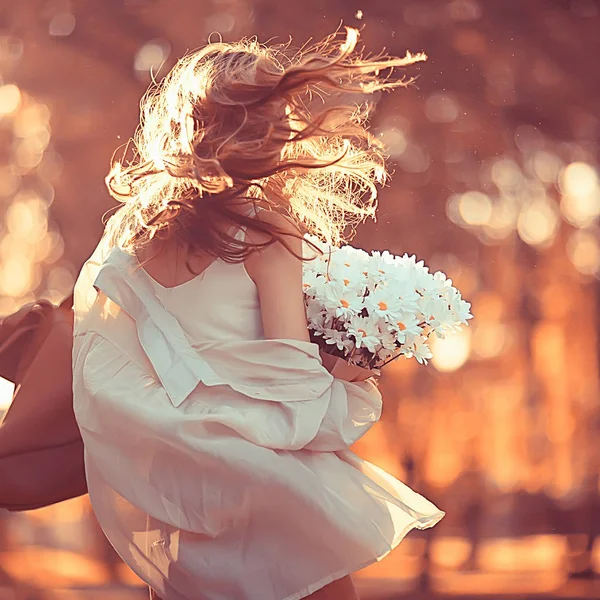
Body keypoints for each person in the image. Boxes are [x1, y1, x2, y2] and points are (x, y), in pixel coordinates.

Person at [72, 28, 444, 600]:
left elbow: (117, 364)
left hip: (187, 506)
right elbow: (294, 404)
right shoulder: (267, 232)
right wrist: (352, 368)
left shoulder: (132, 233)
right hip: (272, 504)